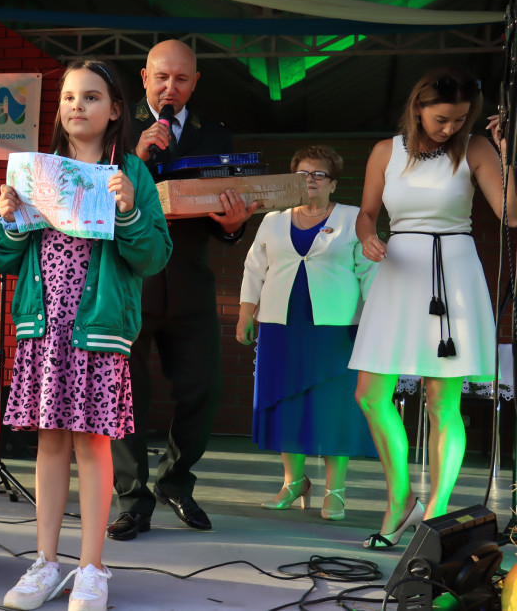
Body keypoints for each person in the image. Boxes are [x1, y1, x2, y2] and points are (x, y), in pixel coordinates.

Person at [0, 60, 171, 611]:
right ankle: (45, 563)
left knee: (94, 444)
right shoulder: (39, 171)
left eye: (91, 97)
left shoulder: (131, 172)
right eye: (69, 96)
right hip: (44, 328)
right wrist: (10, 218)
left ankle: (92, 567)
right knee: (49, 440)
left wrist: (130, 209)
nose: (76, 106)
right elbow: (3, 258)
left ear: (116, 109)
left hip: (98, 330)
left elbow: (153, 257)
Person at [351, 67, 515, 549]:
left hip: (454, 273)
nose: (450, 128)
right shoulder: (386, 151)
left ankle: (437, 516)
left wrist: (507, 152)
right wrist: (366, 236)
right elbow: (366, 213)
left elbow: (512, 212)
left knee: (443, 401)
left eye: (460, 119)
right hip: (398, 271)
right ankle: (400, 499)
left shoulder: (476, 149)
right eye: (442, 118)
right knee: (370, 394)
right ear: (418, 107)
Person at [109, 39, 255, 541]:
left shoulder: (215, 133)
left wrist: (234, 225)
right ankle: (132, 498)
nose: (171, 88)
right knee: (127, 393)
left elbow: (224, 222)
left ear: (195, 82)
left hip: (191, 281)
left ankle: (176, 480)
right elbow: (91, 204)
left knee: (204, 389)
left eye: (182, 79)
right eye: (162, 78)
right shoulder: (115, 125)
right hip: (128, 281)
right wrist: (136, 155)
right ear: (145, 76)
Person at [236, 146, 377, 521]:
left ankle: (336, 491)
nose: (311, 181)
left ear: (333, 182)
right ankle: (293, 482)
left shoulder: (352, 219)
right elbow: (254, 269)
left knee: (335, 407)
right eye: (303, 174)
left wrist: (377, 321)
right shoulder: (272, 220)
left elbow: (369, 272)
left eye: (319, 174)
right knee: (287, 404)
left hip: (338, 328)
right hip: (282, 325)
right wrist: (245, 314)